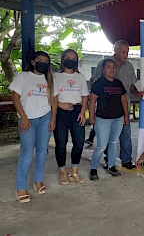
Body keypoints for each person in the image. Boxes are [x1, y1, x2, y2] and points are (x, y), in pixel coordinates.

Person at [10, 51, 57, 203]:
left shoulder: (49, 78)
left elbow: (54, 101)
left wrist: (53, 119)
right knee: (27, 152)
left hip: (45, 117)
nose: (43, 63)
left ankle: (38, 180)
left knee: (43, 150)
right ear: (33, 62)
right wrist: (23, 117)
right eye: (40, 60)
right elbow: (15, 98)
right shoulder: (23, 76)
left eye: (46, 61)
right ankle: (21, 187)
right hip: (27, 119)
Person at [90, 40, 143, 170]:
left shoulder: (129, 66)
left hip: (122, 109)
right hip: (105, 110)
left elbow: (131, 85)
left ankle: (126, 160)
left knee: (125, 135)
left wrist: (136, 92)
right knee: (106, 140)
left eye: (127, 52)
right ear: (116, 51)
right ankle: (107, 161)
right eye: (123, 52)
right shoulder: (104, 64)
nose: (126, 55)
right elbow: (94, 81)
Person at [89, 59, 129, 180]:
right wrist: (91, 117)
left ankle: (111, 166)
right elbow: (92, 101)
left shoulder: (118, 83)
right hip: (103, 119)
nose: (112, 69)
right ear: (103, 69)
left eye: (113, 67)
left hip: (118, 118)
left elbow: (123, 100)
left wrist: (126, 116)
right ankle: (93, 168)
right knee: (101, 145)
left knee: (113, 143)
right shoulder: (98, 83)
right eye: (108, 67)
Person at [53, 49, 89, 185]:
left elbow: (85, 96)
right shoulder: (55, 76)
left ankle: (74, 171)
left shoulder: (80, 77)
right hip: (61, 112)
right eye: (68, 57)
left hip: (77, 111)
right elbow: (51, 96)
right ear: (63, 59)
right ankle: (62, 172)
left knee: (79, 142)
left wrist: (83, 112)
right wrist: (60, 105)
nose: (71, 60)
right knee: (61, 143)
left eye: (74, 58)